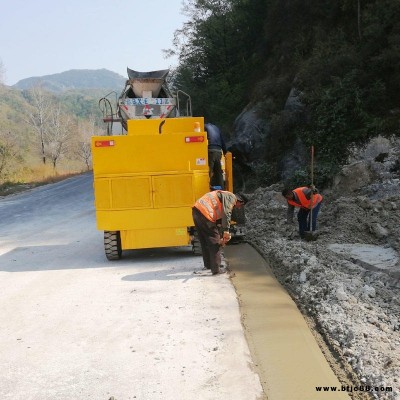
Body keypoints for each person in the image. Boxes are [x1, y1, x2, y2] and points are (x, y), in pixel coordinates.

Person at [192, 191, 247, 275]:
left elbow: (218, 221)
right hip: (205, 213)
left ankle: (209, 265)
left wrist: (222, 235)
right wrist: (226, 231)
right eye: (241, 206)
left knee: (205, 240)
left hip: (196, 211)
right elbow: (226, 212)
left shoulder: (223, 196)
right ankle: (216, 269)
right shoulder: (232, 197)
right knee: (215, 241)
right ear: (240, 201)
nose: (239, 208)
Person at [204, 123, 227, 189]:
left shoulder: (205, 127)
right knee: (218, 171)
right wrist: (225, 152)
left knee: (209, 170)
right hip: (219, 151)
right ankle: (222, 188)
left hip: (210, 150)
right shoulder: (216, 128)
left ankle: (206, 187)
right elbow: (222, 141)